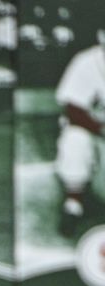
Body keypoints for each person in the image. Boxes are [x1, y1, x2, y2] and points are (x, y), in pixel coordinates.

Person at [54, 29, 105, 238]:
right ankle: (73, 203)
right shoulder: (87, 61)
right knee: (75, 139)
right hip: (93, 132)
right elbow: (73, 111)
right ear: (101, 36)